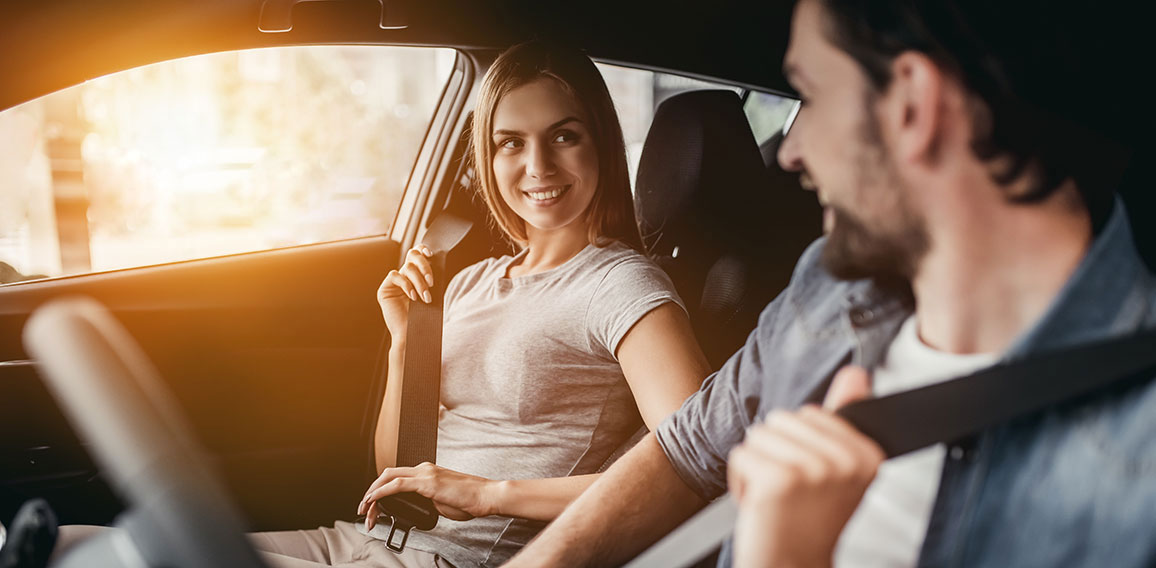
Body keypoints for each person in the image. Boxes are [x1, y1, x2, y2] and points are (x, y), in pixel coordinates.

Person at [505, 1, 1154, 567]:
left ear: (913, 106)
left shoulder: (1137, 462)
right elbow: (684, 453)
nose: (789, 151)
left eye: (809, 98)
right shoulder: (828, 287)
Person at [245, 41, 711, 568]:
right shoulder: (469, 282)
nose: (538, 166)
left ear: (600, 144)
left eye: (563, 136)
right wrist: (406, 343)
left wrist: (492, 494)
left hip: (451, 560)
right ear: (488, 158)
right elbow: (396, 469)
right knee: (149, 549)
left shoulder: (621, 285)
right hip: (366, 540)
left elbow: (692, 467)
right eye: (511, 143)